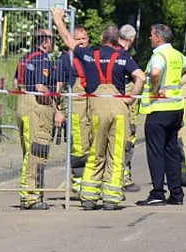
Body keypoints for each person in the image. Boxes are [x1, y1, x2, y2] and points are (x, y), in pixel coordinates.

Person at [53, 11, 146, 209]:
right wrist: (131, 99)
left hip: (97, 107)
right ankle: (112, 198)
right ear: (117, 41)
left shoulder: (90, 54)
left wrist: (58, 20)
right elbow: (141, 77)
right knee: (116, 153)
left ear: (102, 39)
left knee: (96, 150)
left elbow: (68, 41)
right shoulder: (123, 56)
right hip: (120, 108)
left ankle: (88, 196)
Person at [135, 24, 186, 207]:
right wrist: (178, 84)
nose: (149, 38)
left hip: (159, 110)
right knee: (171, 151)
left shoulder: (159, 55)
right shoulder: (176, 54)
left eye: (151, 35)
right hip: (176, 109)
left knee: (156, 152)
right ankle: (176, 193)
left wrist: (155, 89)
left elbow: (155, 72)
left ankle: (157, 193)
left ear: (158, 38)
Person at [15, 28, 64, 209]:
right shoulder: (41, 59)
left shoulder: (24, 58)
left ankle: (26, 194)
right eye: (52, 40)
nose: (53, 44)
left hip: (22, 103)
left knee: (28, 152)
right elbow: (40, 87)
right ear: (45, 42)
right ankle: (31, 195)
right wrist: (53, 104)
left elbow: (15, 83)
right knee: (37, 152)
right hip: (36, 107)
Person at [57, 25, 92, 198]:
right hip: (75, 107)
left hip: (92, 104)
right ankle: (78, 186)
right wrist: (58, 110)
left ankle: (91, 183)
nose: (81, 42)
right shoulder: (65, 59)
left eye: (83, 39)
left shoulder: (93, 56)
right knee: (78, 147)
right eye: (77, 39)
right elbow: (58, 86)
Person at [118, 23, 142, 193]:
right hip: (125, 104)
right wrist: (132, 97)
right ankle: (124, 178)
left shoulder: (107, 53)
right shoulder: (126, 58)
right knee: (127, 139)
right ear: (132, 39)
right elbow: (140, 78)